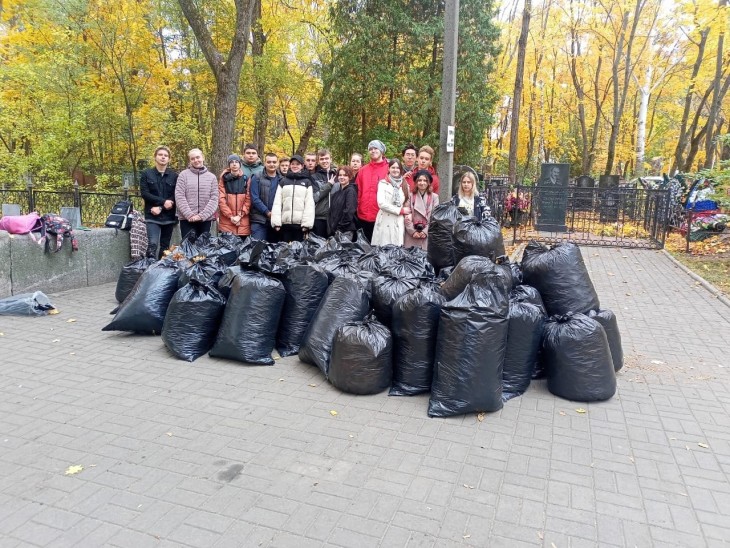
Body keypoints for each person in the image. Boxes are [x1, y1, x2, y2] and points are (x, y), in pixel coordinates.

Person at [139, 146, 178, 258]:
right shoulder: (147, 174)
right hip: (152, 215)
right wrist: (163, 202)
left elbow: (176, 195)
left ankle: (160, 271)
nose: (163, 157)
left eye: (166, 156)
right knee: (152, 245)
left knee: (165, 247)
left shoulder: (174, 176)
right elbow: (145, 193)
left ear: (169, 159)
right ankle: (149, 269)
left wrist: (161, 207)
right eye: (160, 155)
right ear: (155, 157)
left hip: (168, 217)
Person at [175, 148, 219, 240]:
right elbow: (179, 196)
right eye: (192, 158)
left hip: (205, 219)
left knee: (203, 249)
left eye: (198, 157)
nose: (196, 160)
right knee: (188, 248)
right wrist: (190, 215)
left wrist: (201, 216)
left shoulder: (212, 177)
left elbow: (214, 198)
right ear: (190, 161)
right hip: (187, 219)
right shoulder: (183, 175)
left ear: (203, 157)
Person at [271, 154, 315, 242]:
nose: (295, 166)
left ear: (302, 166)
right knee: (285, 252)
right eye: (293, 164)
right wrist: (276, 223)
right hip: (285, 224)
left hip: (300, 226)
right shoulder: (283, 181)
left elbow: (309, 204)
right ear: (290, 165)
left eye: (297, 164)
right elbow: (277, 202)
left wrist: (306, 224)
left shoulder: (307, 182)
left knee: (298, 252)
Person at [355, 140, 389, 242]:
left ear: (381, 151)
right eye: (370, 149)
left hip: (381, 216)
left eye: (375, 148)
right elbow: (358, 190)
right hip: (362, 215)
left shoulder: (389, 168)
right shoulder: (363, 170)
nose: (373, 151)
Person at [372, 159, 410, 246]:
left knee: (396, 249)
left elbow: (407, 202)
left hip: (398, 221)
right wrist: (400, 210)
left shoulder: (405, 185)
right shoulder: (382, 183)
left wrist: (407, 213)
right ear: (389, 169)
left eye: (397, 168)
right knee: (383, 249)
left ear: (400, 170)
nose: (395, 170)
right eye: (393, 167)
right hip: (385, 220)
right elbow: (381, 203)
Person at [217, 154, 251, 239]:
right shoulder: (223, 179)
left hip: (243, 222)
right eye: (232, 162)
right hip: (227, 221)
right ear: (229, 165)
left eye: (236, 162)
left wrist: (239, 216)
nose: (234, 164)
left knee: (243, 250)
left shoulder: (245, 179)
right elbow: (221, 200)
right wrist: (231, 217)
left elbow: (248, 199)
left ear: (240, 164)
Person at [404, 169, 439, 250]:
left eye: (425, 180)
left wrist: (425, 231)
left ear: (428, 182)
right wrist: (413, 231)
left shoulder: (434, 197)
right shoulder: (410, 196)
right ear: (416, 182)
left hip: (426, 234)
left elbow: (435, 218)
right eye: (419, 180)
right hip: (411, 235)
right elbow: (406, 216)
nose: (422, 183)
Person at [250, 153, 281, 241]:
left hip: (277, 221)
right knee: (257, 249)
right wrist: (267, 212)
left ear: (277, 163)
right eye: (269, 162)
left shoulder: (282, 179)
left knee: (276, 250)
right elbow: (255, 198)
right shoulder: (256, 177)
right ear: (264, 163)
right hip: (259, 220)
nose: (272, 164)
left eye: (274, 162)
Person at [311, 148, 337, 238]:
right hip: (320, 218)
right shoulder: (314, 177)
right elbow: (315, 197)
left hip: (335, 217)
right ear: (318, 161)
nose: (324, 161)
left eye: (326, 158)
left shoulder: (338, 175)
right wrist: (329, 185)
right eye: (322, 159)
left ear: (331, 159)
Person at [328, 165, 358, 240]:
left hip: (345, 231)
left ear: (350, 177)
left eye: (345, 175)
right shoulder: (336, 194)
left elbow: (349, 211)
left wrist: (340, 228)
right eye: (340, 175)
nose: (342, 177)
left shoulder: (350, 191)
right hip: (335, 231)